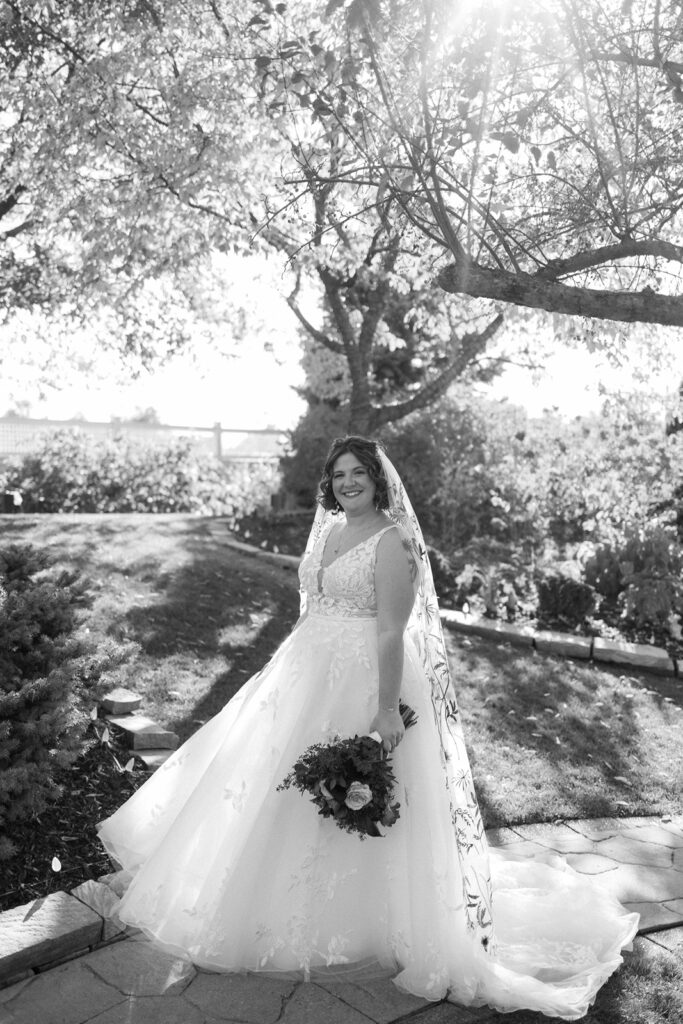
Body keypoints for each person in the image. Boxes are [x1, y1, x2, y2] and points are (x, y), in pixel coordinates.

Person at [98, 435, 638, 1020]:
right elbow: (315, 601)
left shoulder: (393, 541)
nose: (345, 482)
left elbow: (389, 631)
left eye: (357, 472)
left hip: (364, 679)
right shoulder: (329, 529)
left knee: (354, 791)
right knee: (273, 785)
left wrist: (384, 711)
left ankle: (360, 919)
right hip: (304, 672)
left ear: (379, 479)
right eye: (337, 474)